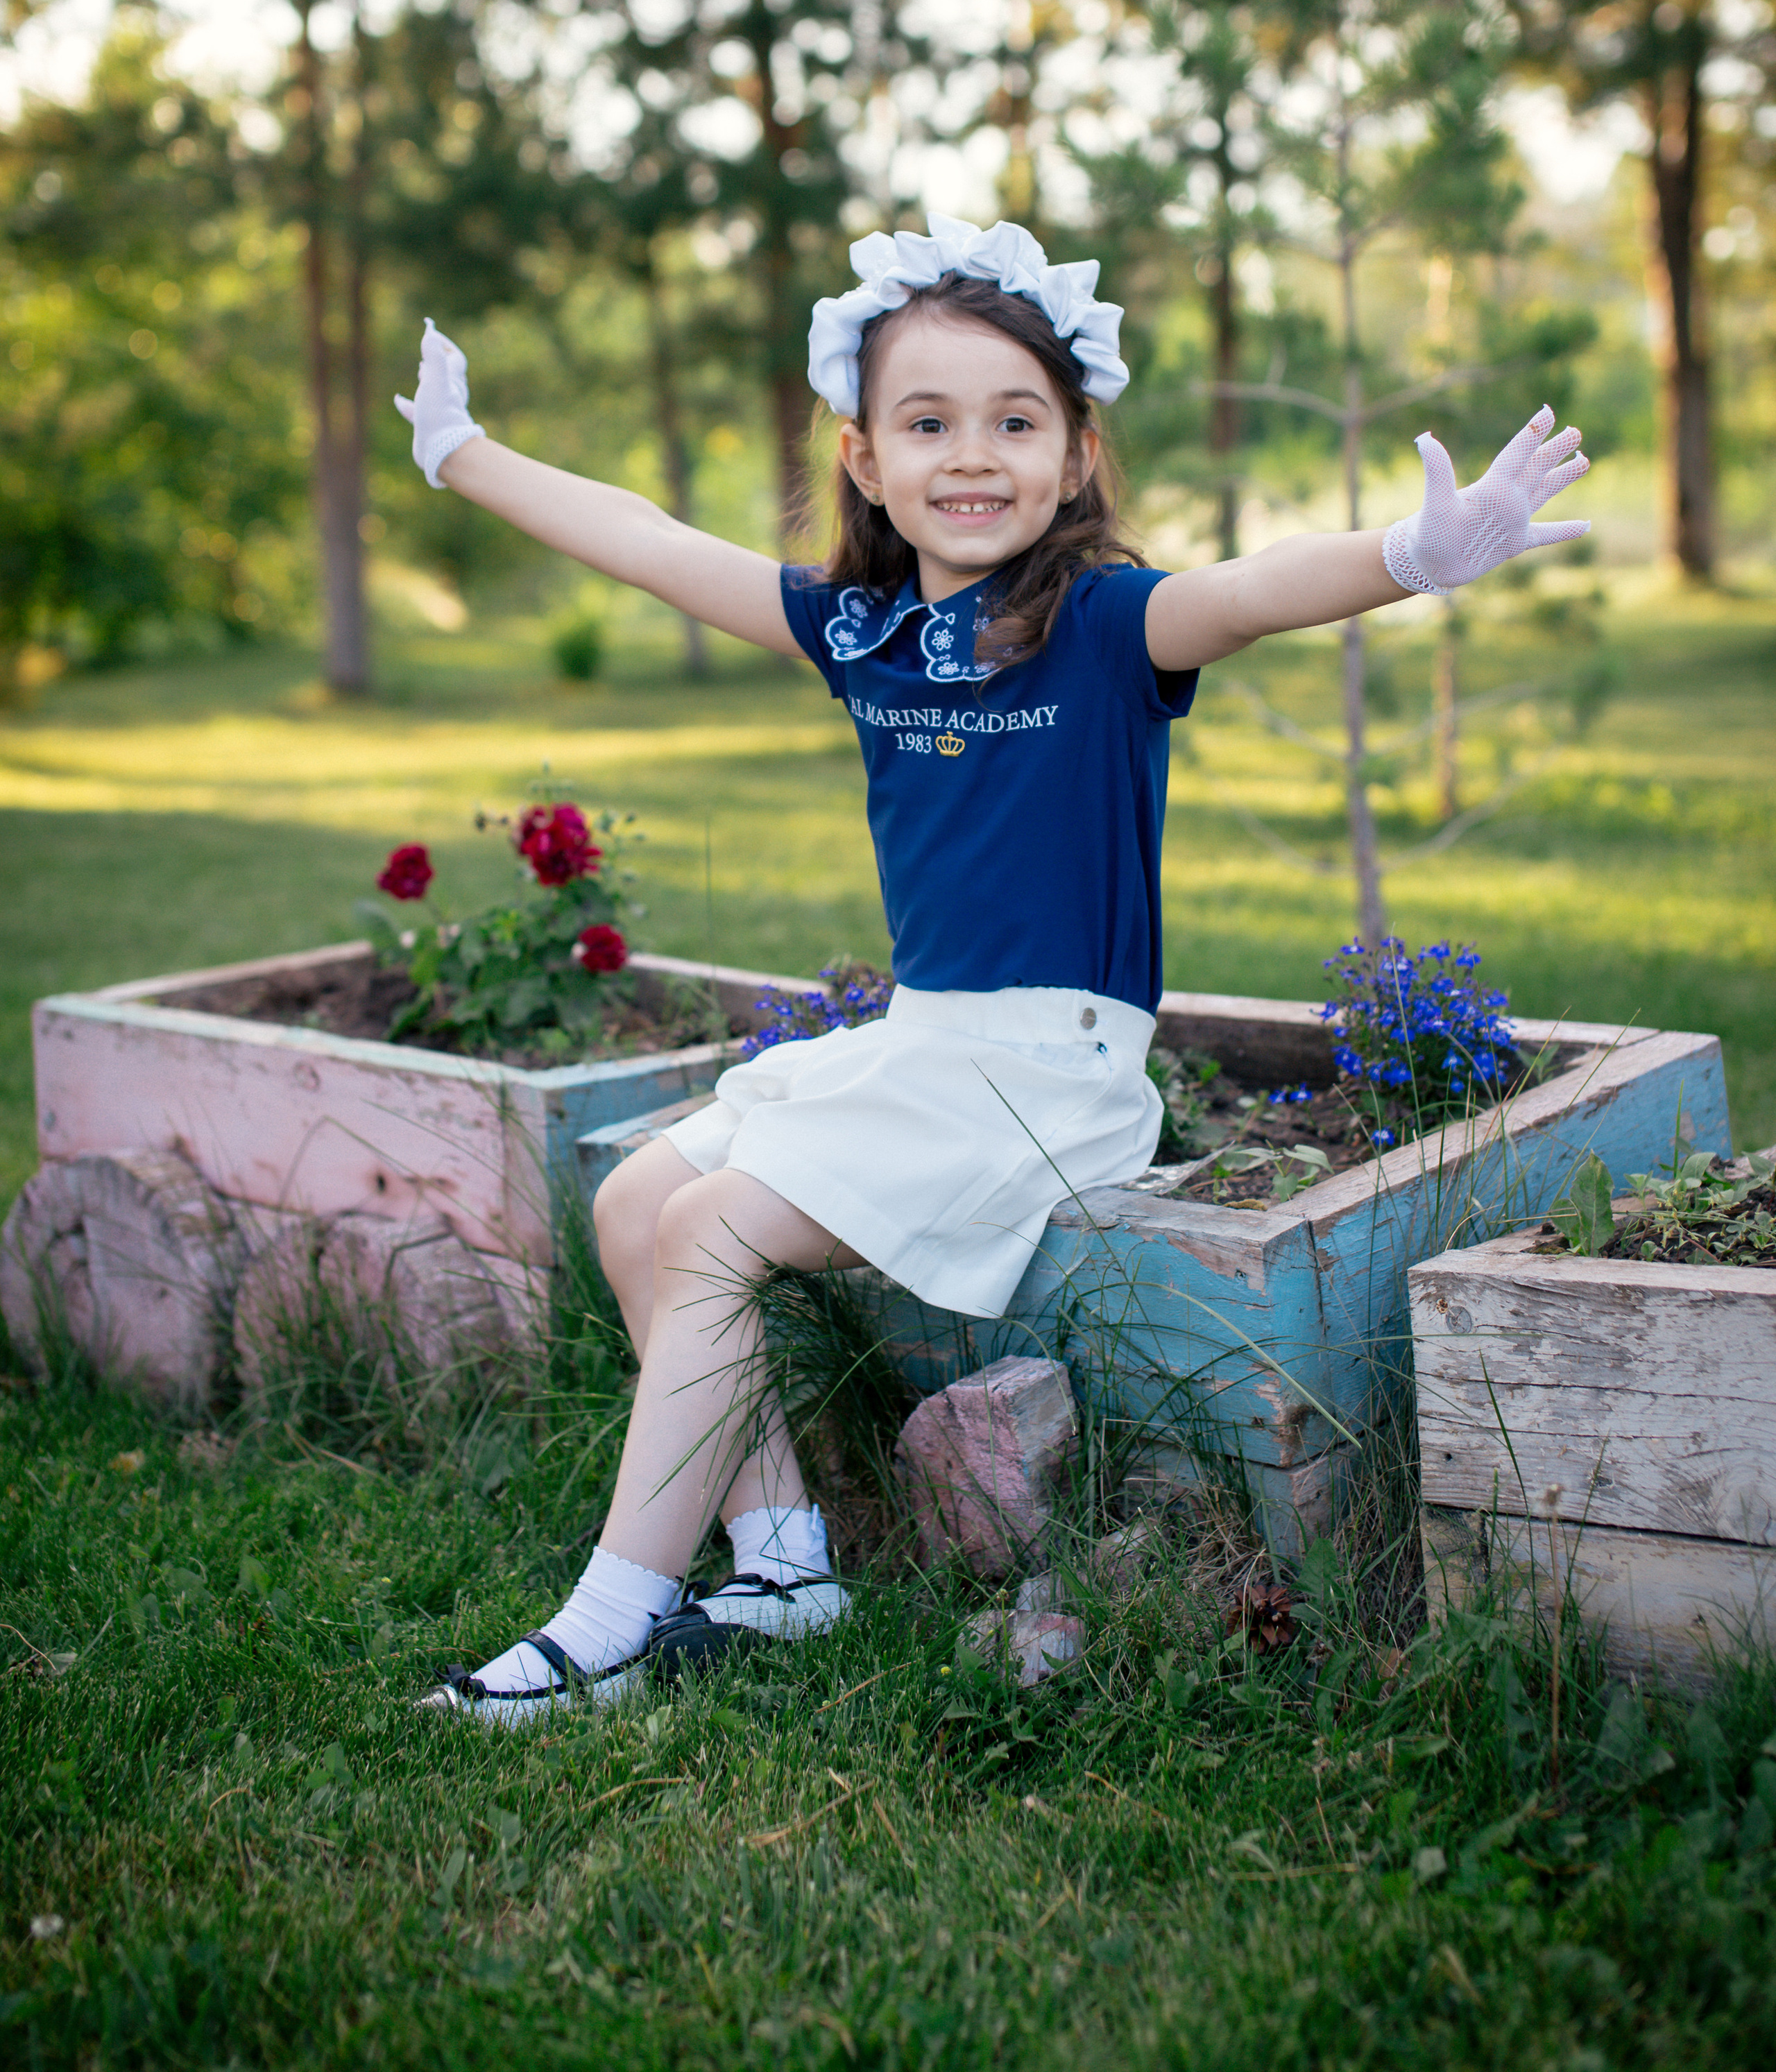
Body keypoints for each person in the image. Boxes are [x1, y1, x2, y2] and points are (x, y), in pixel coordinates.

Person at [399, 212, 1589, 1724]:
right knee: (640, 1200)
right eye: (928, 422)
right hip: (923, 1047)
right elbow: (649, 541)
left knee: (707, 1233)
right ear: (864, 458)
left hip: (1045, 1074)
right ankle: (779, 1572)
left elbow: (1245, 589)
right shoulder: (864, 630)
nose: (973, 456)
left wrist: (1409, 556)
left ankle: (608, 1617)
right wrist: (463, 457)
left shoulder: (1104, 625)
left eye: (1014, 421)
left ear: (1076, 452)